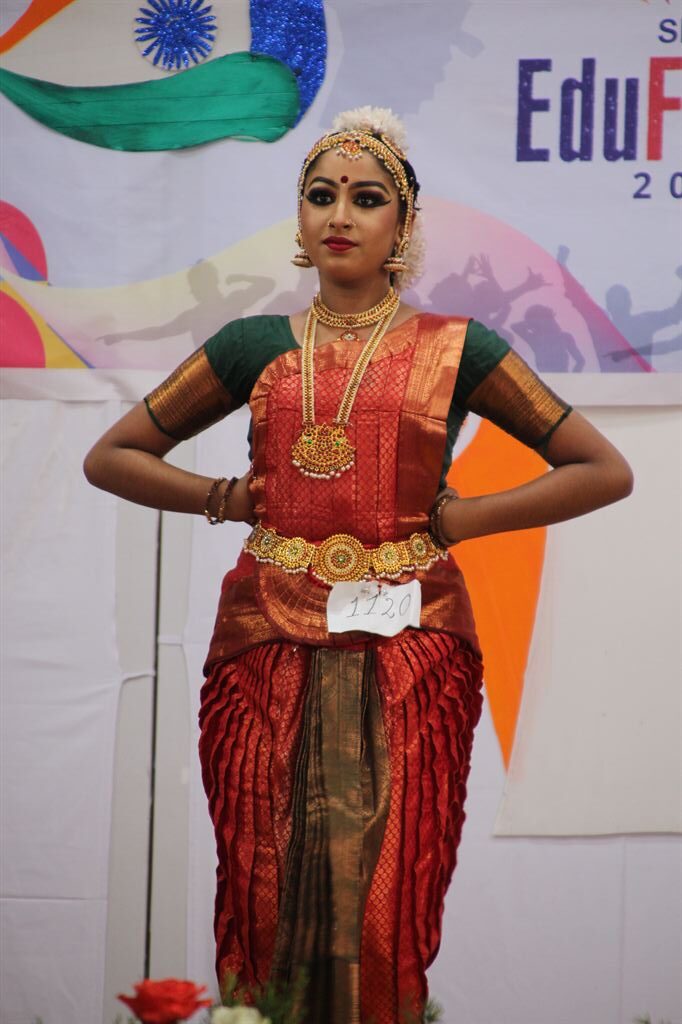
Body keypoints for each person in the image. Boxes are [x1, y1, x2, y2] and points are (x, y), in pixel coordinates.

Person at [84, 107, 633, 1024]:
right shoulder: (252, 347)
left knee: (384, 899)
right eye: (321, 195)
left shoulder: (457, 348)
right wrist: (227, 496)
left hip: (409, 646)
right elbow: (113, 457)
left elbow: (601, 470)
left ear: (403, 226)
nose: (340, 215)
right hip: (264, 643)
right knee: (264, 890)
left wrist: (463, 518)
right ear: (300, 218)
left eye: (367, 198)